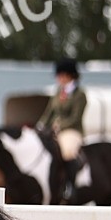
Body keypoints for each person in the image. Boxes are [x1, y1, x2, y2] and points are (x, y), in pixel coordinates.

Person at [38, 58, 88, 201]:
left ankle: (69, 186)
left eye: (60, 75)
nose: (58, 78)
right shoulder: (58, 91)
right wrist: (40, 125)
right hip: (54, 130)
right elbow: (49, 112)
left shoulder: (80, 95)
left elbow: (76, 118)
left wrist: (59, 126)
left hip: (71, 131)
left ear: (69, 75)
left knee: (66, 152)